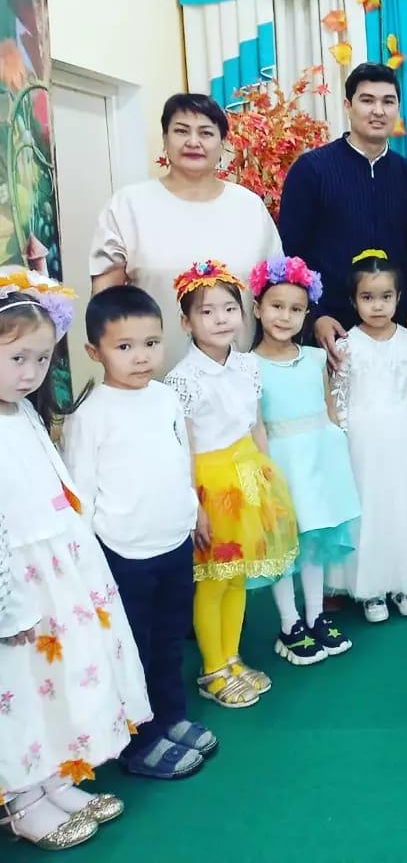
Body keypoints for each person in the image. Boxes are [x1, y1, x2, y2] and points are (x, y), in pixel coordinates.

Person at [0, 270, 149, 851]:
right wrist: (9, 604)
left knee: (53, 684)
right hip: (18, 583)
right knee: (20, 690)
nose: (31, 372)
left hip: (57, 570)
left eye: (41, 359)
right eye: (17, 358)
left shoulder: (23, 413)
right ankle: (23, 798)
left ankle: (55, 777)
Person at [63, 287, 214, 781]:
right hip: (122, 554)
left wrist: (194, 512)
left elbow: (181, 460)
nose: (141, 356)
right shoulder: (89, 416)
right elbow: (81, 494)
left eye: (151, 343)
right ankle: (139, 741)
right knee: (134, 649)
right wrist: (87, 561)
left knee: (169, 640)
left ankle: (170, 717)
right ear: (95, 351)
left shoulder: (166, 397)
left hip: (173, 542)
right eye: (124, 346)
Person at [164, 261, 298, 709]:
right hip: (211, 483)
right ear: (186, 322)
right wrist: (194, 505)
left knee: (237, 575)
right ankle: (212, 668)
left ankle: (232, 658)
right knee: (213, 580)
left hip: (247, 476)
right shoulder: (182, 379)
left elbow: (256, 425)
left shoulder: (247, 366)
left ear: (243, 313)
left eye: (228, 309)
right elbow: (183, 447)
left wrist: (267, 478)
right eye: (206, 312)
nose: (220, 319)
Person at [90, 93, 281, 370]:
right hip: (149, 377)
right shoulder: (128, 205)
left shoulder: (249, 206)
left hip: (238, 379)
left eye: (206, 133)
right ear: (165, 139)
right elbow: (105, 302)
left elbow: (276, 293)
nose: (193, 142)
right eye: (181, 131)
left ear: (222, 143)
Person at [325, 251, 407, 621]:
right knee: (370, 513)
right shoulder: (346, 345)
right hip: (362, 441)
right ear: (353, 301)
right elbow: (339, 399)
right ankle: (371, 591)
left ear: (399, 298)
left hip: (403, 437)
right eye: (367, 297)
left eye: (386, 297)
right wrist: (341, 443)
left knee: (403, 510)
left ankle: (404, 583)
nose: (378, 305)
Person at [278, 63, 407, 365]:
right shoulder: (311, 171)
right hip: (330, 330)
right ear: (348, 105)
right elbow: (291, 253)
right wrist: (316, 315)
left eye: (388, 101)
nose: (378, 110)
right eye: (367, 100)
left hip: (394, 330)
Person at [249, 256, 360, 664]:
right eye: (276, 306)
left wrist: (337, 451)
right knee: (284, 545)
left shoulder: (315, 359)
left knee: (314, 541)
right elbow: (255, 424)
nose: (285, 316)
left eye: (296, 309)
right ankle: (289, 622)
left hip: (318, 461)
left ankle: (315, 615)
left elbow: (329, 409)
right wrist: (264, 473)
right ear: (257, 308)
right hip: (280, 464)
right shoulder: (248, 366)